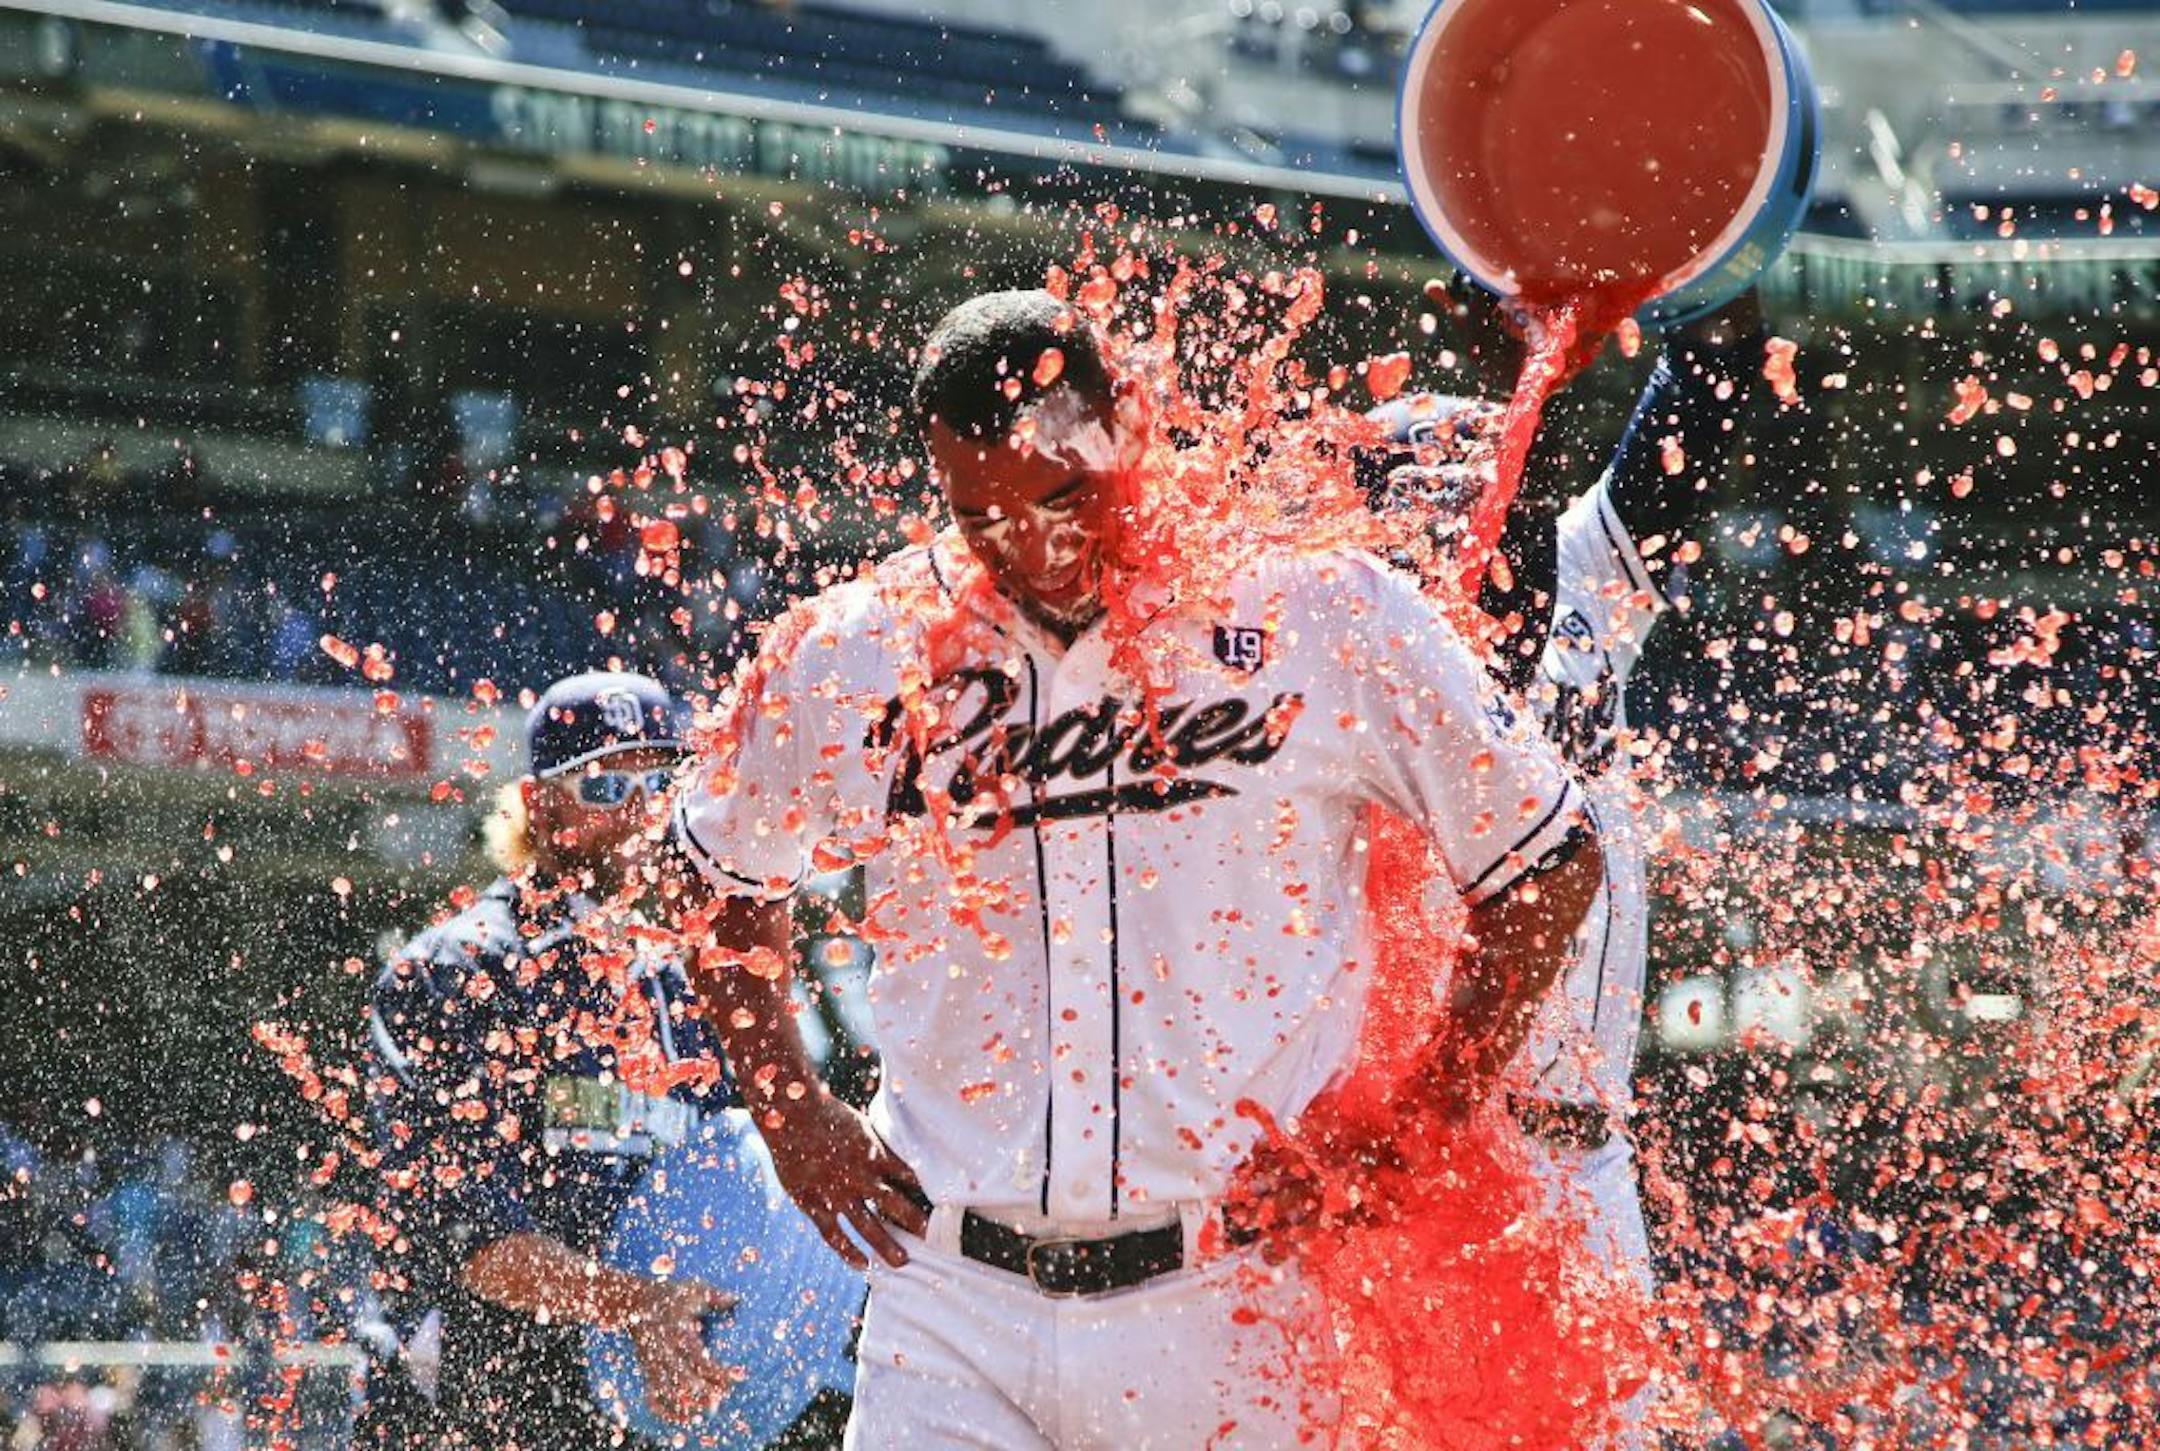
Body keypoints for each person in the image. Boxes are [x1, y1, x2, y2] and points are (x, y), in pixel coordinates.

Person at [665, 289, 1604, 1447]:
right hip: (951, 1297)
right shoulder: (859, 644)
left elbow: (1550, 858)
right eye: (982, 517)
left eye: (1065, 496)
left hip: (1231, 1291)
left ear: (1126, 428)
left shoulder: (1312, 608)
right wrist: (791, 1110)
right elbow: (712, 875)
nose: (1033, 547)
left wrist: (1407, 1120)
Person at [1366, 289, 1766, 1444]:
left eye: (1478, 467)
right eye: (1427, 481)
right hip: (1415, 1167)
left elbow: (1716, 375)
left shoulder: (1586, 572)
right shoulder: (1338, 654)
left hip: (1577, 1165)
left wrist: (1646, 268)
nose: (1463, 498)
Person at [364, 671, 739, 1448]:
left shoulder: (683, 985)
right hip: (466, 1414)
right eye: (603, 785)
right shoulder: (454, 972)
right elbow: (475, 1242)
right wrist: (641, 1306)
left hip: (634, 1419)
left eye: (661, 781)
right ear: (539, 806)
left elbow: (730, 1190)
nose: (639, 812)